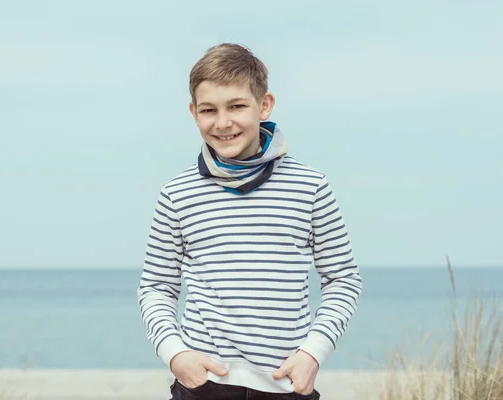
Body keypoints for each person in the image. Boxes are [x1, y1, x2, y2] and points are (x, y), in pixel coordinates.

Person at [136, 43, 362, 400]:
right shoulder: (176, 194)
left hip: (287, 386)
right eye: (209, 110)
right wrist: (174, 353)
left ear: (264, 105)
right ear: (194, 113)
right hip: (201, 387)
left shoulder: (310, 186)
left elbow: (343, 279)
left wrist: (313, 353)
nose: (223, 122)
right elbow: (156, 288)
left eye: (237, 106)